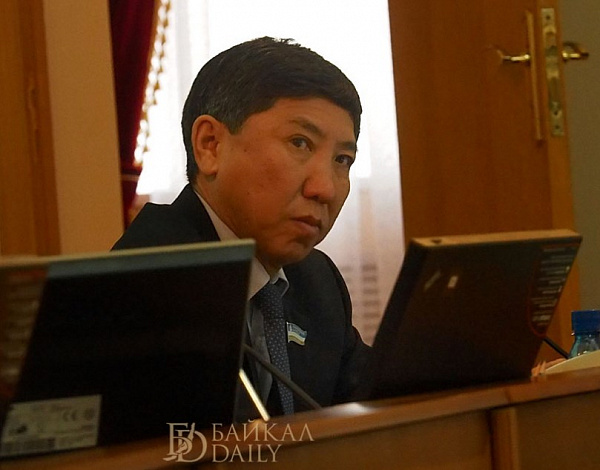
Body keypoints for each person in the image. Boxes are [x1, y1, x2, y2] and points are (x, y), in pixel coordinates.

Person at [113, 36, 370, 417]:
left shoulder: (317, 283)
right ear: (210, 145)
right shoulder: (140, 286)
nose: (325, 189)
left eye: (342, 160)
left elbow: (380, 404)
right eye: (300, 143)